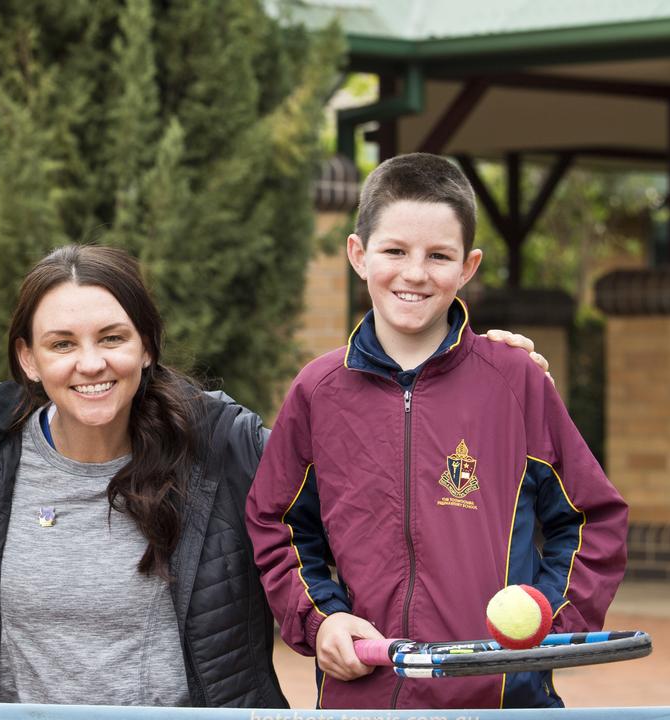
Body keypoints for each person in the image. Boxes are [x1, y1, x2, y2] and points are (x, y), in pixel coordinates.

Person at [245, 153, 629, 710]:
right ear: (358, 254)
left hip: (499, 701)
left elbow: (593, 519)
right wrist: (322, 619)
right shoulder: (317, 392)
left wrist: (543, 624)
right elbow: (277, 526)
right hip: (366, 699)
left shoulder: (515, 381)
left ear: (468, 266)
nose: (416, 273)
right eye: (395, 251)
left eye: (439, 256)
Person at [0, 244, 288, 707]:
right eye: (62, 344)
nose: (90, 364)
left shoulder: (224, 449)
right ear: (29, 359)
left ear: (146, 346)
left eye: (112, 338)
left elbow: (351, 516)